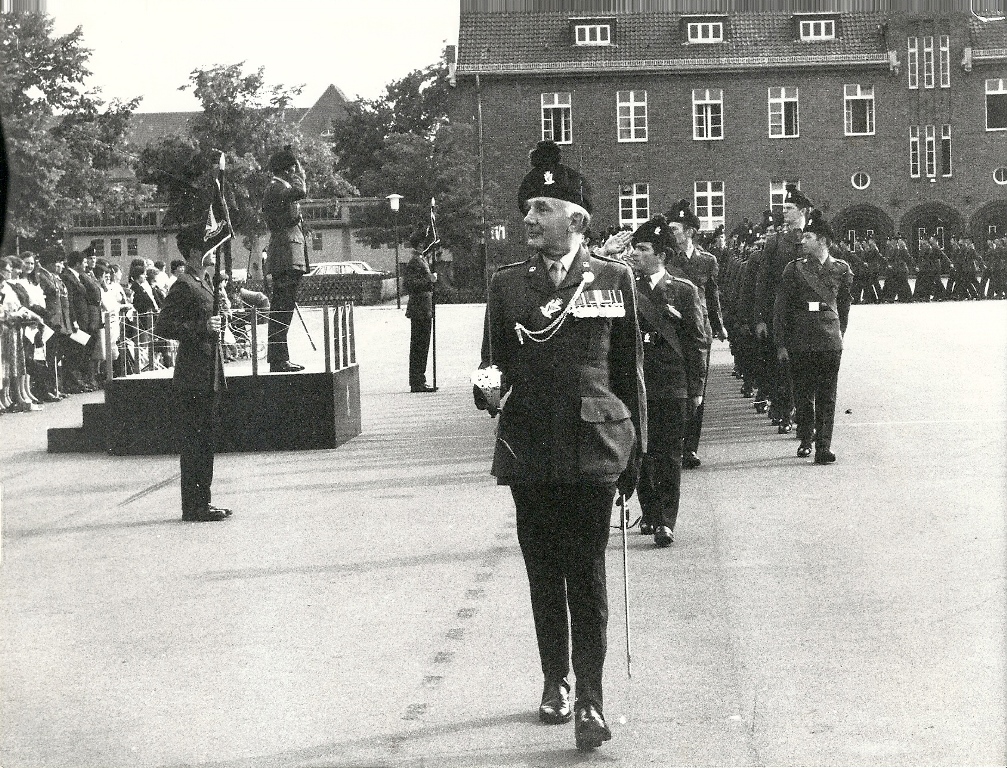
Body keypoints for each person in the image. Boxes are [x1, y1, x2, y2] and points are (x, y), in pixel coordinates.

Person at [477, 140, 646, 752]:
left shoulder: (613, 278)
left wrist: (637, 456)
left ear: (575, 219)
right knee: (544, 572)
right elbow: (492, 361)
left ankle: (593, 701)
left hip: (593, 448)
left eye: (541, 208)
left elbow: (628, 373)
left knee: (588, 575)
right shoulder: (506, 285)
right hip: (529, 447)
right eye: (527, 208)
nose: (528, 217)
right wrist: (486, 388)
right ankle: (556, 680)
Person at [628, 216, 706, 546]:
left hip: (673, 385)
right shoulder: (627, 289)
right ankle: (650, 511)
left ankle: (666, 521)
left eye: (643, 249)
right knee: (641, 453)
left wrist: (696, 388)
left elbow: (697, 341)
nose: (636, 253)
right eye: (636, 248)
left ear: (661, 255)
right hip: (638, 385)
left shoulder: (683, 291)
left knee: (670, 455)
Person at [154, 223, 232, 522]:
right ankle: (194, 505)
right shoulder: (184, 284)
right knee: (195, 442)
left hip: (209, 370)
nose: (214, 251)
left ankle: (203, 501)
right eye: (209, 247)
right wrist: (201, 327)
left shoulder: (204, 281)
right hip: (193, 374)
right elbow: (164, 326)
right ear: (196, 252)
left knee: (206, 441)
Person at [773, 209, 853, 465]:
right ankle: (806, 437)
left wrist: (840, 333)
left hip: (829, 340)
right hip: (801, 340)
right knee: (804, 394)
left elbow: (844, 306)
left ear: (823, 241)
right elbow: (782, 307)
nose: (803, 240)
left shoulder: (841, 269)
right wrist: (781, 342)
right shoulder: (794, 269)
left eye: (808, 237)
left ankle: (824, 446)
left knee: (827, 396)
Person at [664, 199, 726, 468]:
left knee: (697, 387)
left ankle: (690, 447)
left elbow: (712, 295)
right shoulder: (666, 259)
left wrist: (719, 324)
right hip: (673, 328)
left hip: (700, 331)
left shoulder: (707, 261)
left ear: (689, 231)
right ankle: (675, 444)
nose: (671, 234)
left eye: (675, 229)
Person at [756, 184, 812, 436]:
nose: (784, 212)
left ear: (802, 211)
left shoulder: (812, 238)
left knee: (808, 367)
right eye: (784, 208)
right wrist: (760, 318)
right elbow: (763, 281)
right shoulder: (776, 241)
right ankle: (785, 411)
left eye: (789, 208)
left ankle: (804, 415)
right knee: (784, 366)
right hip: (782, 313)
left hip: (809, 315)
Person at [262, 146, 309, 373]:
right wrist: (301, 173)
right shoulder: (277, 188)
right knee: (281, 308)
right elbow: (301, 192)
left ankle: (281, 358)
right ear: (287, 170)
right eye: (292, 168)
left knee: (284, 308)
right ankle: (278, 359)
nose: (295, 172)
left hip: (288, 253)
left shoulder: (280, 187)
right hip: (285, 253)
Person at [402, 242, 437, 392]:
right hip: (419, 308)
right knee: (419, 345)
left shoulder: (421, 259)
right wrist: (429, 279)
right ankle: (417, 381)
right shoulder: (415, 261)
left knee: (423, 345)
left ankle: (420, 379)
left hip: (424, 308)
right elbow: (409, 284)